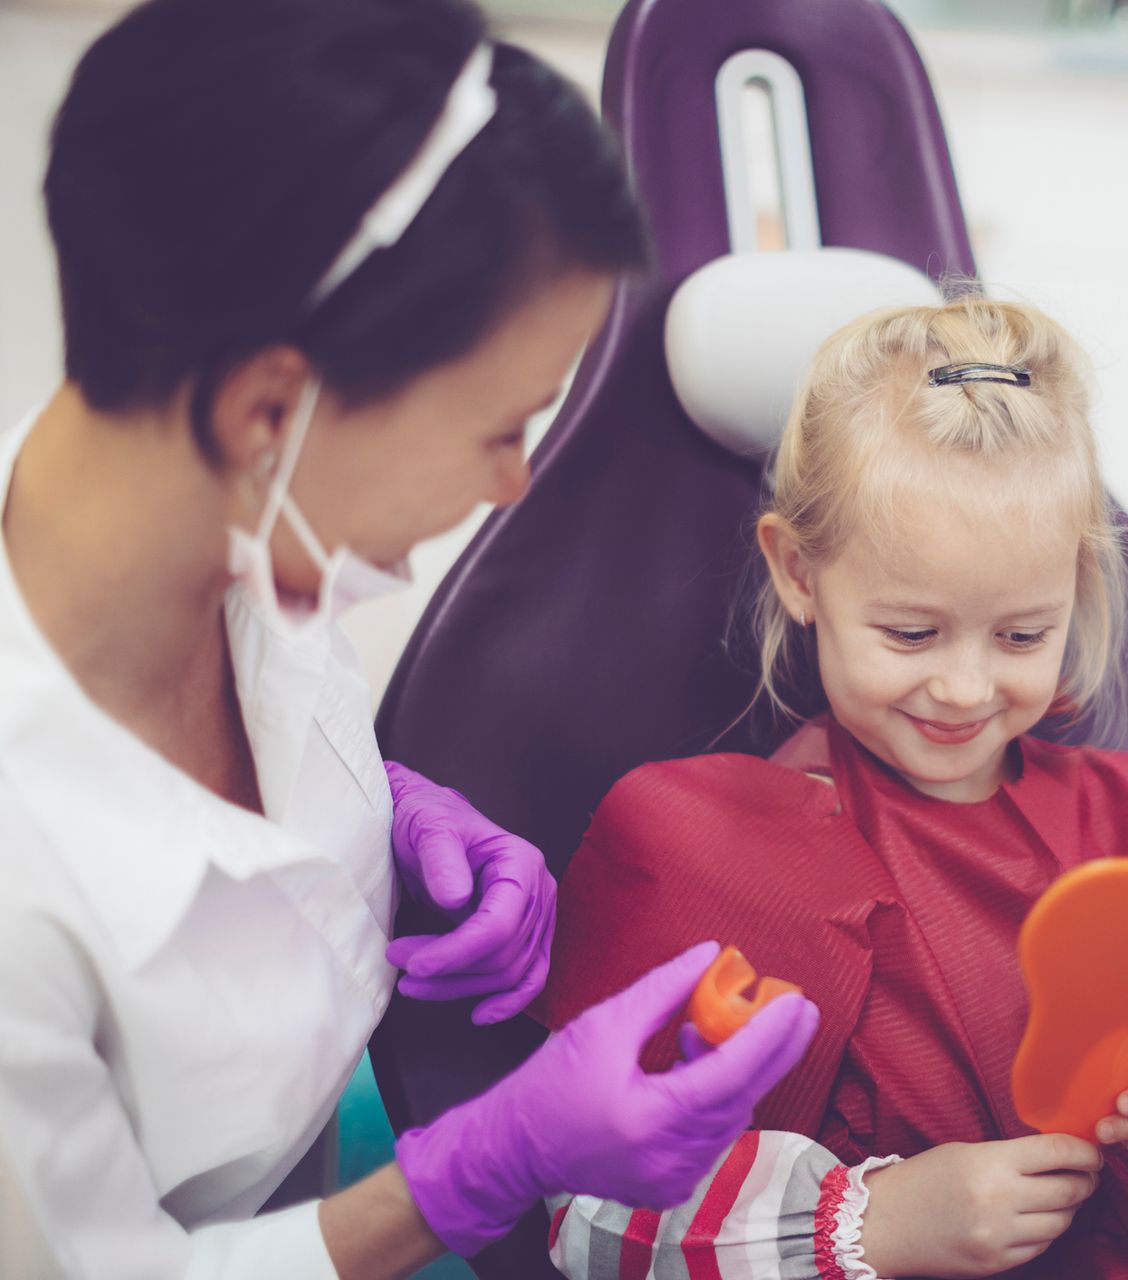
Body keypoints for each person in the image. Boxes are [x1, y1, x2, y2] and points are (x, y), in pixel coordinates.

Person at [0, 2, 817, 1276]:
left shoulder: (227, 519)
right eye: (504, 426)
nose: (513, 485)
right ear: (268, 404)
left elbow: (210, 802)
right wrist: (490, 1164)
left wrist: (385, 818)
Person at [536, 296, 1128, 1278]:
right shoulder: (696, 854)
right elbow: (582, 1220)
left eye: (1021, 635)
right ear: (799, 571)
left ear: (1075, 593)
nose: (965, 687)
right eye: (911, 633)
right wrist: (869, 1221)